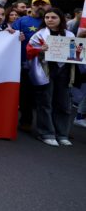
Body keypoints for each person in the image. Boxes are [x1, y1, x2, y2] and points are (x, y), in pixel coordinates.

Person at [26, 8, 76, 146]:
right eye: (47, 17)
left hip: (64, 71)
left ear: (61, 19)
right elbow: (29, 52)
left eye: (53, 17)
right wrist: (39, 50)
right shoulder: (39, 35)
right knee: (45, 102)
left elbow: (76, 53)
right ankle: (46, 133)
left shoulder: (70, 34)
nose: (49, 20)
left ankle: (62, 134)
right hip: (45, 71)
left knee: (63, 103)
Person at [13, 0, 50, 132]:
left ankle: (48, 126)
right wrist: (15, 36)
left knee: (46, 97)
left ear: (49, 7)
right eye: (36, 4)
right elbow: (10, 36)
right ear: (31, 6)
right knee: (26, 96)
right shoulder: (22, 21)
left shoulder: (51, 21)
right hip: (26, 64)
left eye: (43, 4)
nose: (40, 7)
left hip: (47, 66)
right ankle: (26, 121)